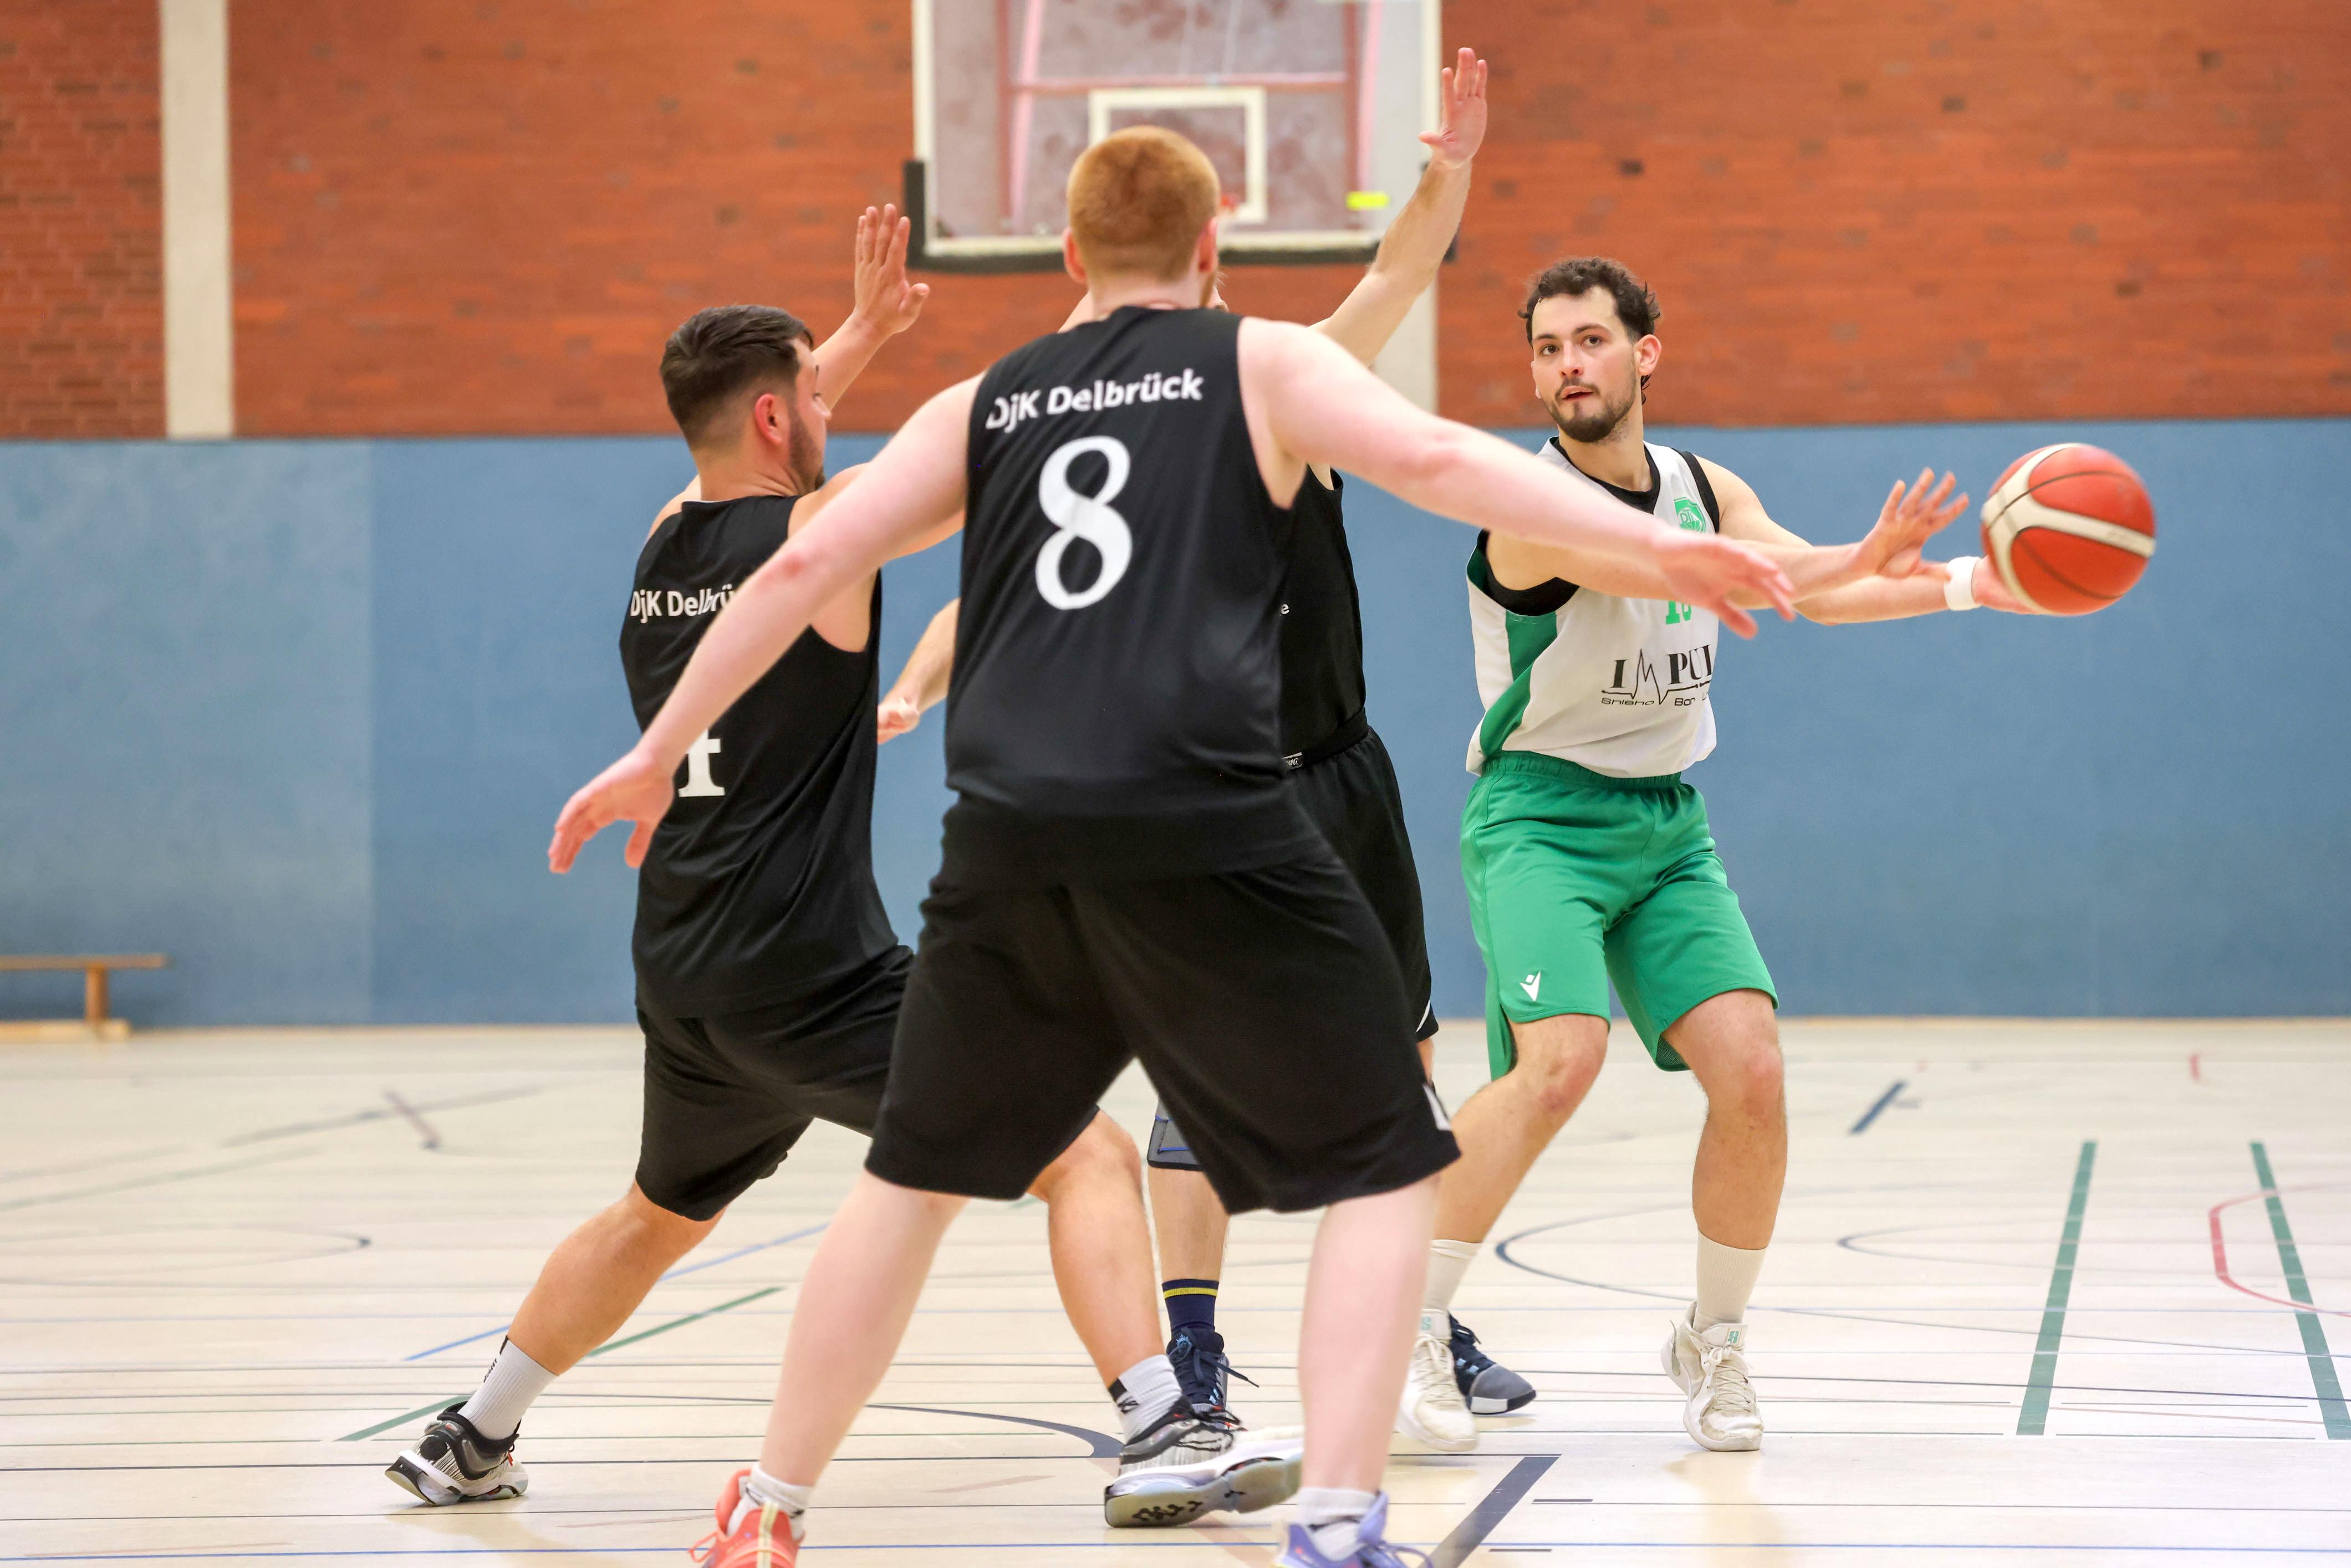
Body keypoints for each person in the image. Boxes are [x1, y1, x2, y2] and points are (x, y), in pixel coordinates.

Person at [548, 127, 1797, 1568]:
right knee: (1391, 1159)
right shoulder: (1258, 363)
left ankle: (769, 1500)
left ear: (1068, 255)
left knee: (908, 1186)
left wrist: (657, 746)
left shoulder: (987, 400)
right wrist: (1662, 552)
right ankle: (1336, 1517)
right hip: (1204, 816)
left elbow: (805, 560)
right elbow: (1443, 462)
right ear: (1211, 251)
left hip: (1009, 834)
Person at [387, 210, 1191, 1521]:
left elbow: (761, 446)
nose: (830, 407)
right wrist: (1103, 311)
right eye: (814, 394)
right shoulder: (825, 543)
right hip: (811, 975)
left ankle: (473, 1432)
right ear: (777, 416)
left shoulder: (663, 540)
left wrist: (856, 335)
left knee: (656, 1212)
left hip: (687, 971)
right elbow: (1003, 432)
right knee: (1086, 1150)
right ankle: (1164, 1420)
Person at [873, 48, 1533, 1453]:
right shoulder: (1100, 420)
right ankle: (1191, 1335)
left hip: (1339, 772)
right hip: (1216, 790)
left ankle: (1418, 1316)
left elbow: (1402, 268)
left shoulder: (1289, 378)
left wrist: (1454, 169)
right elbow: (982, 594)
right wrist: (918, 683)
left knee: (1408, 1052)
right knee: (1192, 1076)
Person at [1424, 254, 2032, 1455]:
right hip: (1540, 814)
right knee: (1560, 1061)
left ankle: (1715, 1339)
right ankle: (1408, 1316)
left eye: (1590, 340)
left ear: (1644, 352)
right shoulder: (1531, 503)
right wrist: (1855, 552)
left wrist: (1975, 582)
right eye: (1547, 348)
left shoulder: (1703, 482)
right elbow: (1692, 570)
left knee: (1751, 1068)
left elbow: (1817, 594)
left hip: (1663, 823)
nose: (1567, 366)